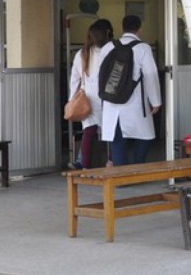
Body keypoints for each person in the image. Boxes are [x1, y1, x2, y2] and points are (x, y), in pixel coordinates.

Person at [99, 15, 162, 166]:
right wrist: (156, 102)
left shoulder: (108, 47)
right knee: (144, 136)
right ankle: (137, 168)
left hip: (111, 101)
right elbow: (151, 75)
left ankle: (121, 174)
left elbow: (100, 75)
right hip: (134, 103)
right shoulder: (143, 48)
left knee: (117, 137)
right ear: (139, 29)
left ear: (122, 28)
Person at [68, 18, 114, 169]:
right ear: (107, 33)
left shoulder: (82, 54)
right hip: (108, 97)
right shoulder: (112, 51)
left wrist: (71, 99)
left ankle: (84, 164)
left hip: (87, 99)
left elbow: (74, 78)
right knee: (112, 132)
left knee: (89, 131)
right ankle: (112, 162)